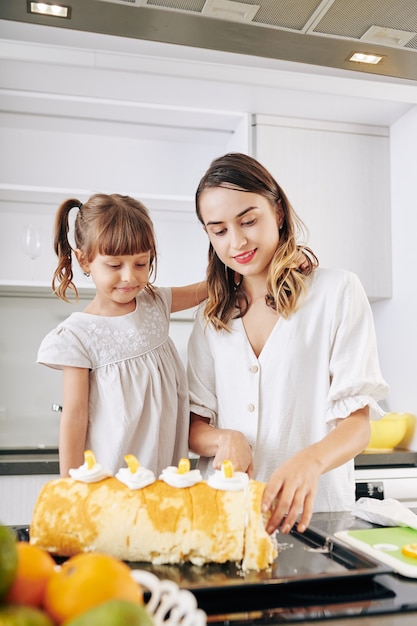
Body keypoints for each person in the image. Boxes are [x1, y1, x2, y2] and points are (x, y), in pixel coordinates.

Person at [187, 152, 389, 536]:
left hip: (315, 520)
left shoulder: (337, 292)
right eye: (219, 230)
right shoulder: (211, 318)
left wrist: (310, 461)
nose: (237, 241)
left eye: (248, 220)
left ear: (278, 212)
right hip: (226, 521)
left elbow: (357, 426)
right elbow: (194, 427)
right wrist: (224, 438)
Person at [37, 193, 207, 477]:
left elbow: (210, 288)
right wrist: (69, 487)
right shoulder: (79, 335)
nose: (130, 276)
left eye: (141, 263)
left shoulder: (155, 303)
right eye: (115, 265)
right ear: (84, 260)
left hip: (164, 475)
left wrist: (277, 260)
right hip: (111, 478)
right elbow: (75, 417)